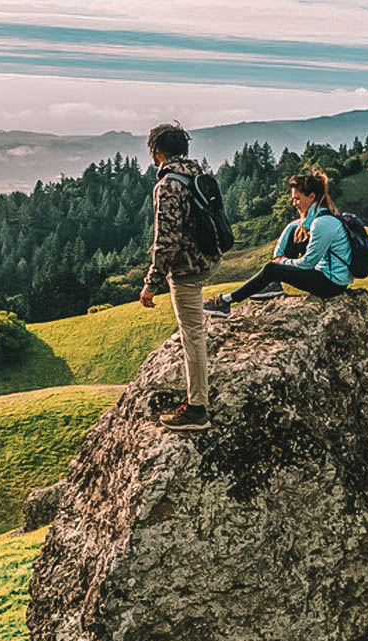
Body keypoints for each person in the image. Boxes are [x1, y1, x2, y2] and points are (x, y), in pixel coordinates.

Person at [139, 122, 217, 431]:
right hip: (209, 259)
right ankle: (199, 392)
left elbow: (166, 240)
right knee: (194, 328)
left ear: (157, 152)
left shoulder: (168, 185)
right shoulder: (195, 174)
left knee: (192, 336)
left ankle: (197, 408)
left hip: (186, 269)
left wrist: (151, 284)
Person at [202, 171, 352, 316]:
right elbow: (296, 226)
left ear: (311, 196)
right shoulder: (321, 215)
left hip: (331, 285)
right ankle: (273, 285)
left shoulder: (322, 223)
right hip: (327, 275)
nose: (294, 203)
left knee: (270, 269)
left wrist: (282, 262)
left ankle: (225, 302)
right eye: (293, 199)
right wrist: (283, 244)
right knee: (295, 234)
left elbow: (308, 263)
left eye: (297, 199)